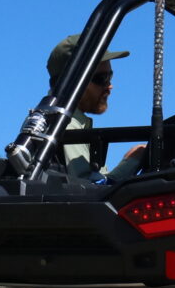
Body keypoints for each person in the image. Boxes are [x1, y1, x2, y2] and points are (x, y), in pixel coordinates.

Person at [48, 35, 142, 183]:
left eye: (110, 76)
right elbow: (91, 192)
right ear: (72, 81)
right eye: (102, 79)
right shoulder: (64, 124)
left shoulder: (70, 121)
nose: (109, 86)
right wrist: (132, 161)